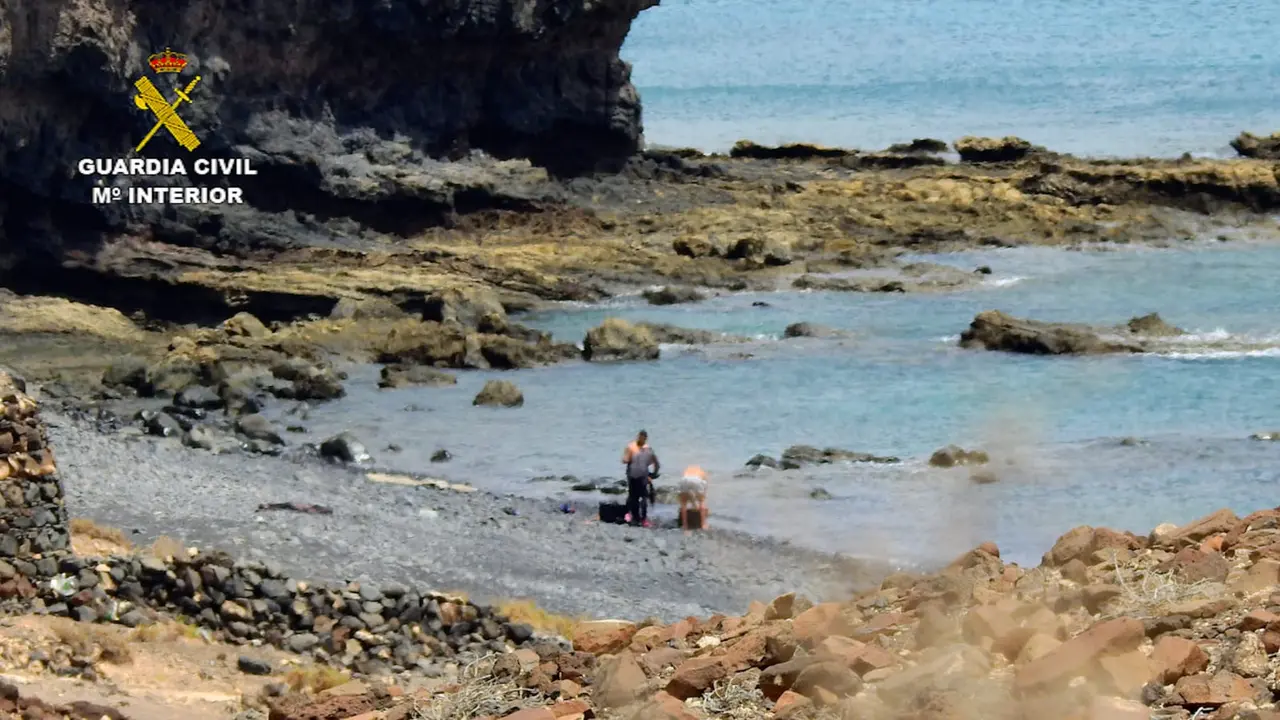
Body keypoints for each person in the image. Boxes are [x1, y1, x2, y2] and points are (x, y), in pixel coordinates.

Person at [621, 430, 659, 527]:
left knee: (643, 497)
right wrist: (628, 457)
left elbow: (656, 462)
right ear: (638, 437)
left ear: (645, 438)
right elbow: (624, 459)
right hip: (632, 475)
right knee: (633, 496)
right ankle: (632, 515)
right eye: (640, 437)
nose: (641, 439)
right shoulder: (631, 447)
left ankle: (643, 518)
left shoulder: (648, 449)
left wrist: (654, 473)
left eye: (643, 437)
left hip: (643, 476)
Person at [678, 465, 709, 530]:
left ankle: (685, 526)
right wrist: (697, 504)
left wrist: (694, 504)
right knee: (702, 502)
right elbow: (703, 492)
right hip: (697, 479)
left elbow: (689, 494)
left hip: (684, 479)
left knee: (683, 503)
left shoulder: (687, 470)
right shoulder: (702, 472)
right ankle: (703, 524)